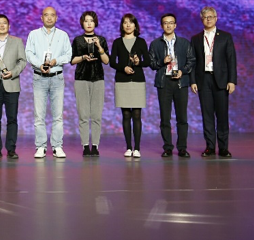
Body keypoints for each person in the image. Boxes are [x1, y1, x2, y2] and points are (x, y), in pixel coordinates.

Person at [190, 7, 237, 158]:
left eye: (211, 16)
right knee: (207, 115)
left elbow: (231, 60)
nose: (208, 19)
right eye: (205, 17)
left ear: (216, 18)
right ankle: (210, 146)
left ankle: (223, 148)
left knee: (222, 115)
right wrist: (192, 81)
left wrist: (232, 80)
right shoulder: (196, 39)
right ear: (201, 19)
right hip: (203, 79)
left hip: (221, 80)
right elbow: (193, 61)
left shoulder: (225, 37)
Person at [26, 6, 72, 159]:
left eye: (52, 15)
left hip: (57, 77)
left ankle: (57, 146)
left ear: (56, 17)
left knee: (57, 115)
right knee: (39, 115)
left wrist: (55, 61)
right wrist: (39, 64)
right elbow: (28, 54)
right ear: (42, 18)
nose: (49, 18)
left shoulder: (63, 35)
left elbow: (68, 55)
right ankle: (41, 146)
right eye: (46, 15)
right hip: (39, 77)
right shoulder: (33, 34)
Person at [149, 13, 196, 158]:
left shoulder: (184, 43)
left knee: (182, 117)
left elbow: (192, 61)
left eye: (171, 22)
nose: (168, 25)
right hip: (164, 82)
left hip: (180, 82)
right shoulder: (155, 44)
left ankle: (182, 148)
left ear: (175, 25)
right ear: (161, 25)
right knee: (165, 118)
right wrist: (162, 62)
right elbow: (152, 64)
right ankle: (168, 147)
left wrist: (183, 71)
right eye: (165, 23)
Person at [0, 14, 27, 159]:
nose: (2, 25)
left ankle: (11, 149)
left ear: (9, 25)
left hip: (11, 84)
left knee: (12, 118)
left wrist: (13, 72)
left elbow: (23, 61)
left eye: (4, 23)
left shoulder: (17, 41)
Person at [109, 13, 149, 158]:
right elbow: (112, 62)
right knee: (126, 114)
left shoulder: (141, 42)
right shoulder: (117, 42)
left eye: (131, 22)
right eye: (125, 22)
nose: (128, 25)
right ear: (122, 25)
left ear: (135, 26)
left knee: (137, 114)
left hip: (137, 81)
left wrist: (138, 62)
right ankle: (128, 147)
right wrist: (123, 68)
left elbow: (148, 61)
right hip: (122, 81)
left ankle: (137, 148)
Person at [70, 11, 109, 157]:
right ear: (82, 23)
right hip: (81, 78)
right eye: (86, 21)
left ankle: (96, 145)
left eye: (91, 21)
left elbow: (106, 60)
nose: (89, 23)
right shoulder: (78, 40)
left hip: (98, 78)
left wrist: (99, 47)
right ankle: (85, 145)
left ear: (95, 23)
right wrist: (83, 57)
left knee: (96, 115)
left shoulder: (101, 40)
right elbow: (72, 60)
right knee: (83, 114)